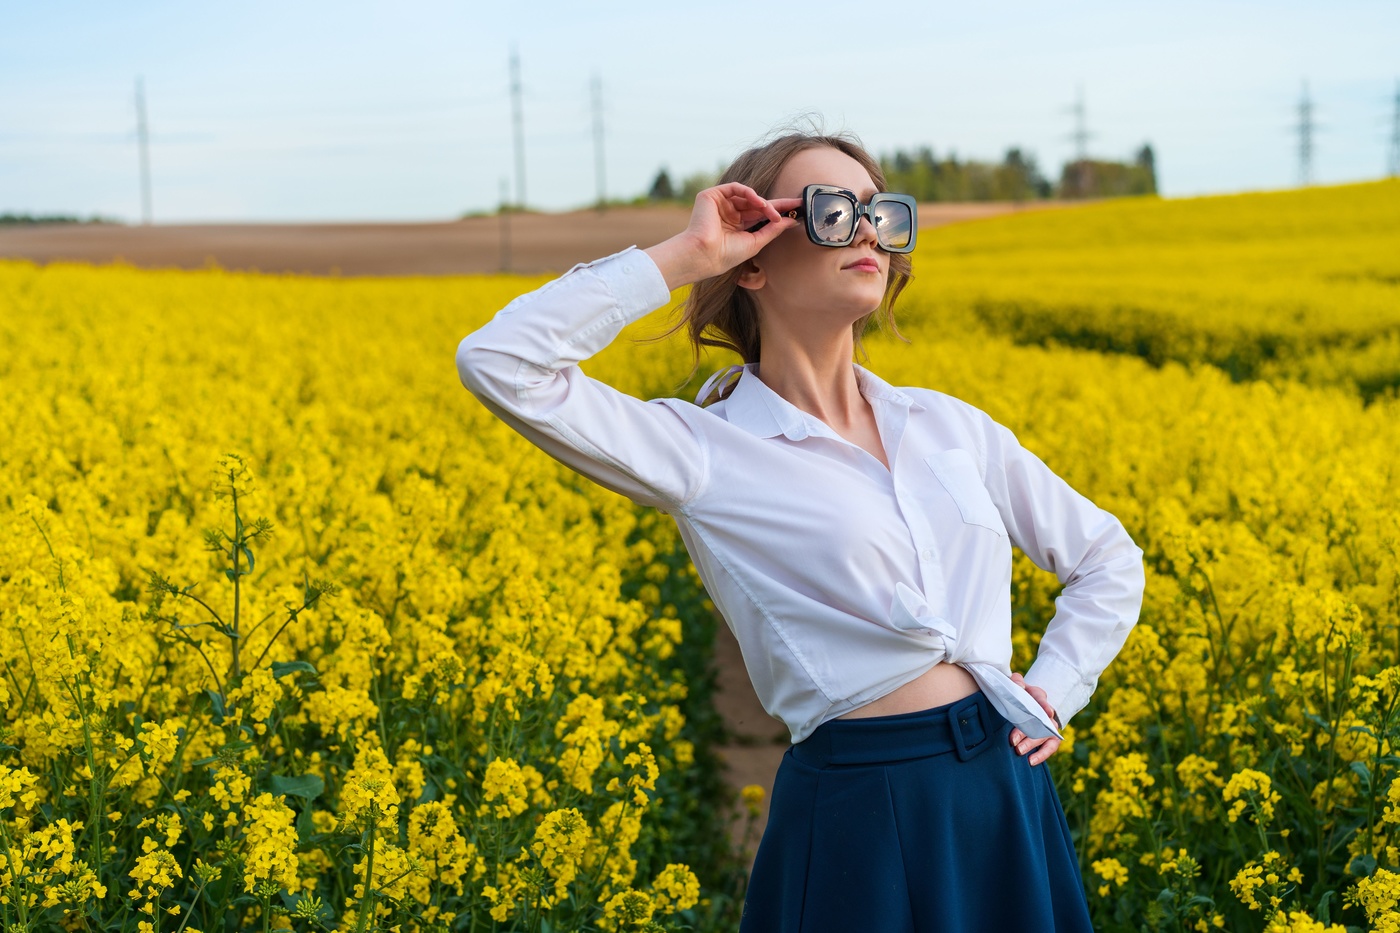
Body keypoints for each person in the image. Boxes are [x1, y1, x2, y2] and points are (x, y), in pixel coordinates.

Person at [456, 127, 1147, 932]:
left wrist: (1056, 687)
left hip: (1003, 788)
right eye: (827, 210)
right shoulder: (706, 450)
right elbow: (500, 360)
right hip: (861, 803)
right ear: (752, 258)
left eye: (881, 213)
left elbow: (1107, 557)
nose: (864, 230)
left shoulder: (950, 426)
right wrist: (686, 253)